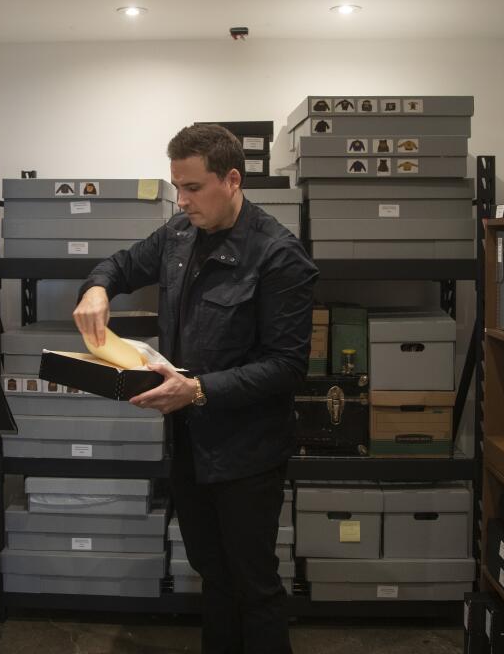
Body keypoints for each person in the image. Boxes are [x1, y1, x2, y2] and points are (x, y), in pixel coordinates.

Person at [73, 124, 318, 654]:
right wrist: (96, 289)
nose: (181, 201)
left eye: (192, 188)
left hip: (248, 452)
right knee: (213, 574)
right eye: (176, 188)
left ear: (232, 179)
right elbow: (119, 264)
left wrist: (199, 390)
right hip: (189, 443)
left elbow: (287, 367)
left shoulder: (279, 255)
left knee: (254, 584)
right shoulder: (178, 236)